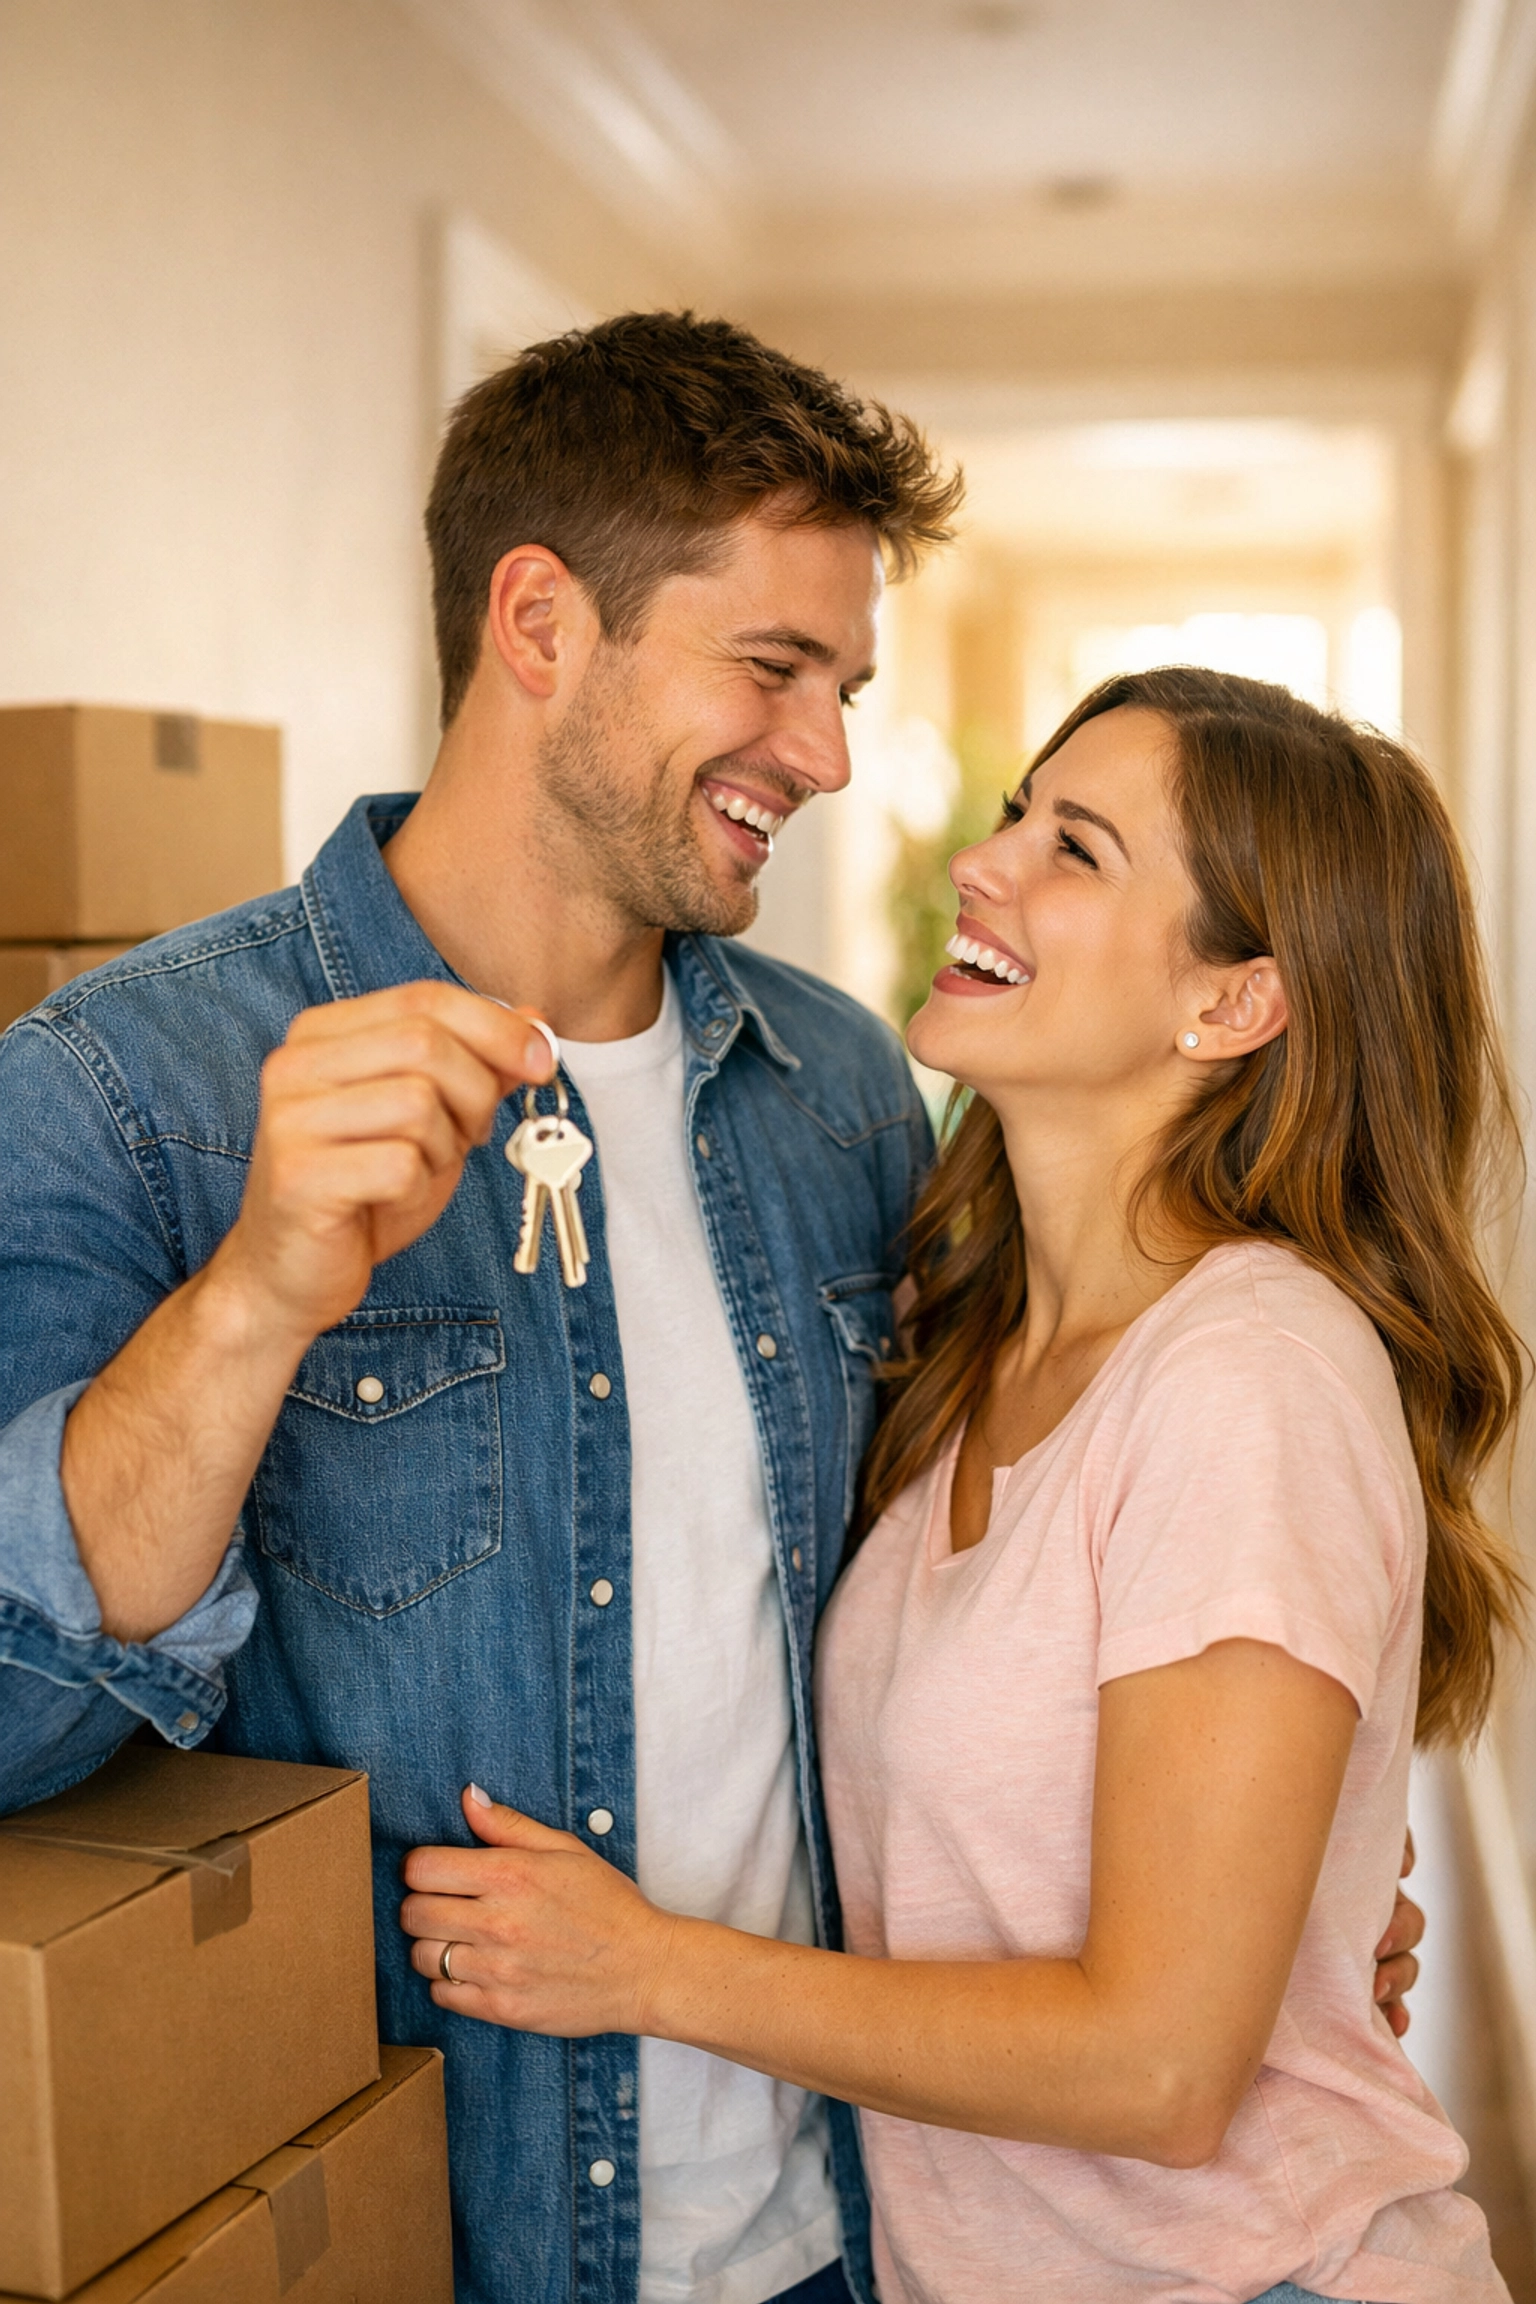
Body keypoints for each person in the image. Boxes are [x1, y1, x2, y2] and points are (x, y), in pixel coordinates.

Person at [391, 670, 1509, 2304]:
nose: (986, 866)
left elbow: (1157, 2074)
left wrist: (642, 1969)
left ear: (1234, 1006)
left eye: (1079, 848)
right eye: (1013, 818)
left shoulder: (1250, 1376)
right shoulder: (969, 1338)